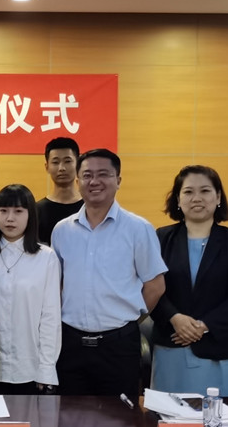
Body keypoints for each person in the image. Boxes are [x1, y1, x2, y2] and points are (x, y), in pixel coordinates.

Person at [52, 148, 166, 396]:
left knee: (119, 416)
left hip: (119, 347)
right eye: (87, 175)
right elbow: (58, 285)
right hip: (70, 343)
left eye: (103, 174)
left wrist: (126, 321)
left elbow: (155, 286)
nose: (94, 181)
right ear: (78, 181)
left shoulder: (138, 228)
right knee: (70, 414)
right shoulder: (62, 231)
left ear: (118, 180)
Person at [150, 166, 228, 396]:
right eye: (188, 192)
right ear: (178, 199)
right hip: (172, 346)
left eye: (205, 191)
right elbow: (150, 287)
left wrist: (204, 325)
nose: (197, 198)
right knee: (169, 416)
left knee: (221, 416)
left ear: (218, 197)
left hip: (218, 349)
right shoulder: (160, 238)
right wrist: (174, 317)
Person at [0, 184, 61, 394]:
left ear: (30, 216)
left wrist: (46, 368)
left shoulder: (46, 258)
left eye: (18, 211)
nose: (10, 218)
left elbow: (50, 317)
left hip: (29, 368)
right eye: (3, 211)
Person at [35, 136, 83, 245]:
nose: (62, 168)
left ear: (78, 164)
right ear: (47, 167)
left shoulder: (89, 208)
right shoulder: (36, 211)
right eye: (55, 162)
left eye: (67, 161)